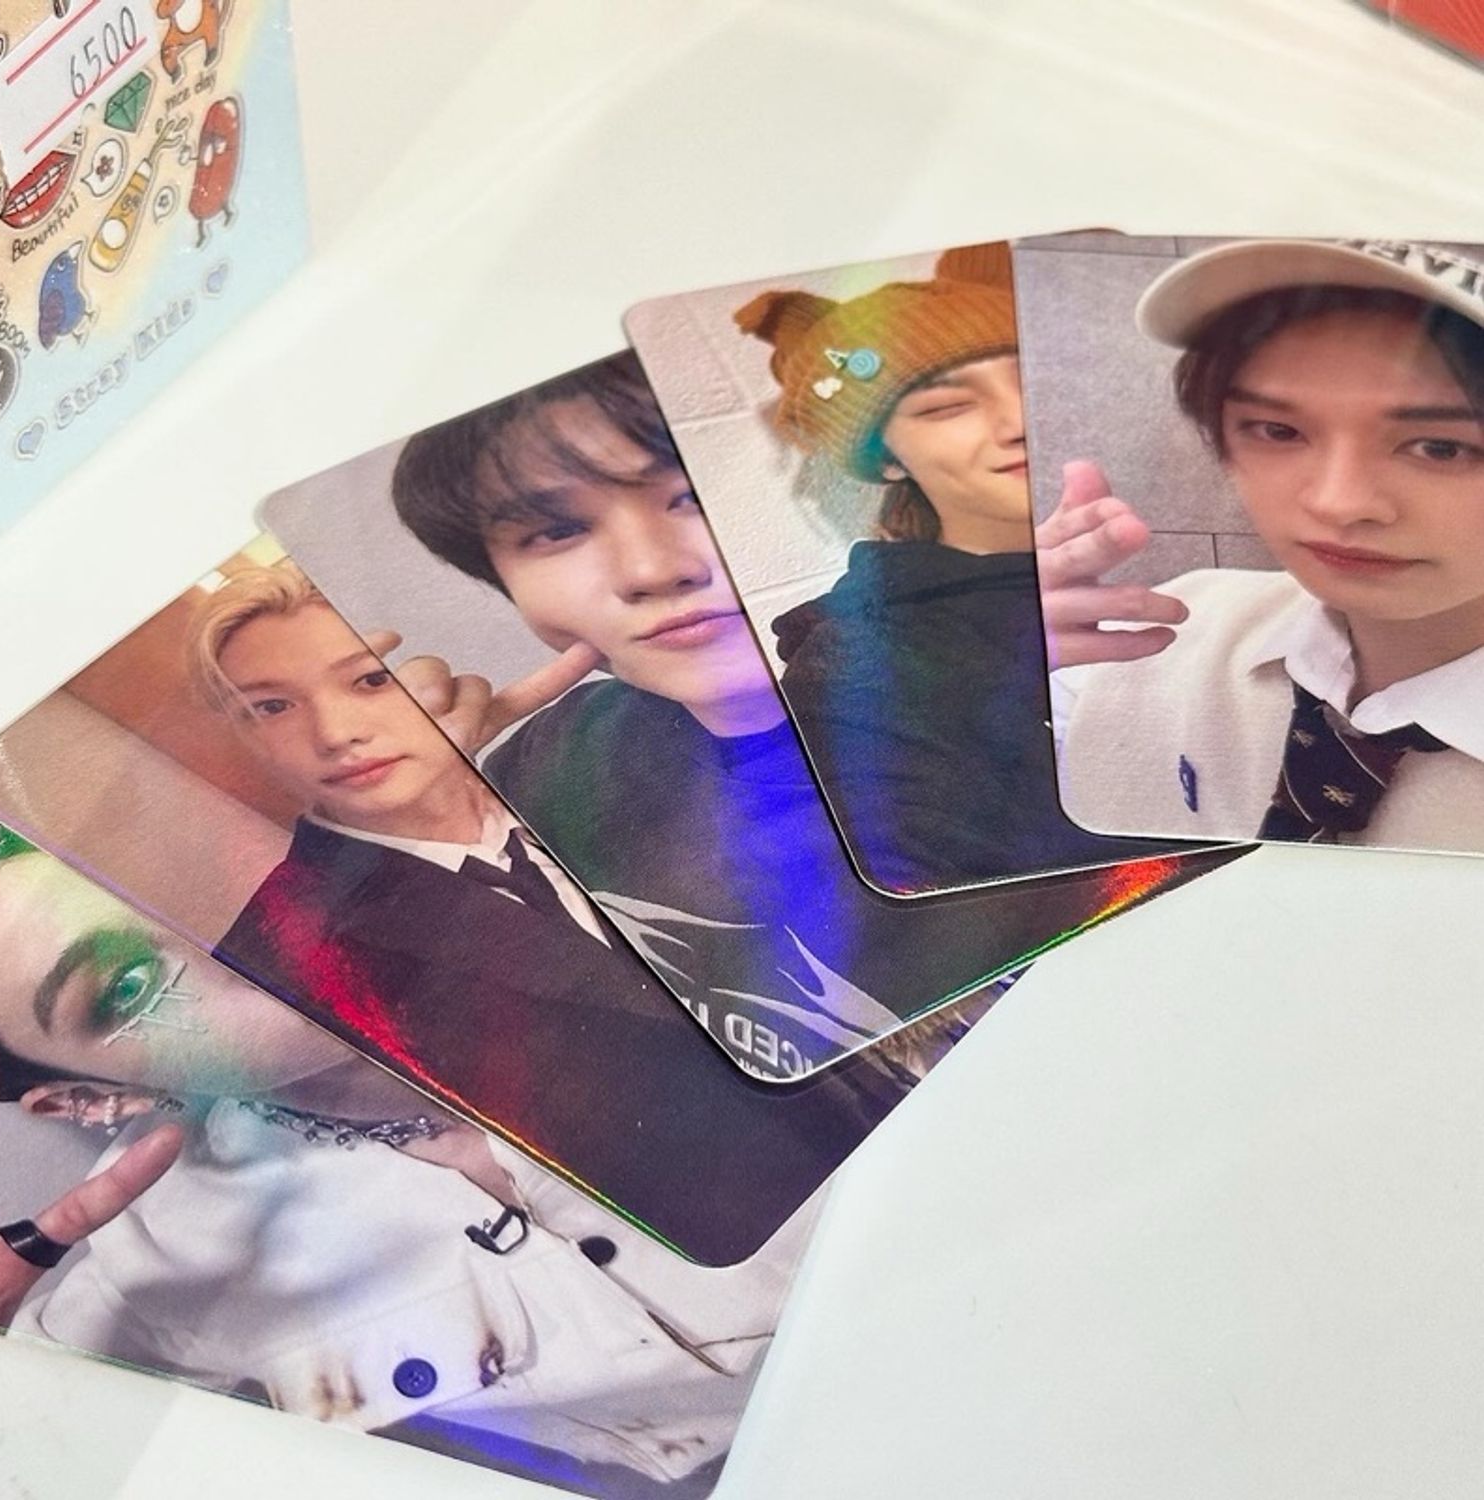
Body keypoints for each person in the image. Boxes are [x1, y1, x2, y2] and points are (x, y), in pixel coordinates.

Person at [384, 351, 1227, 1070]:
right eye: (554, 532)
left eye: (689, 497)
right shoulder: (552, 763)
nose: (651, 569)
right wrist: (405, 826)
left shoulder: (1019, 692)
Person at [0, 816, 813, 1494]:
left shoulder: (574, 898)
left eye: (177, 882)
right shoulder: (159, 1262)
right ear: (85, 1098)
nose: (212, 936)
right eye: (125, 987)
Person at [188, 561, 983, 1264]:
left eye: (369, 680)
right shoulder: (283, 957)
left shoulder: (594, 744)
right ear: (239, 736)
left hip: (957, 1125)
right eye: (272, 707)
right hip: (784, 1270)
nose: (337, 733)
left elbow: (865, 845)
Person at [732, 243, 1186, 891]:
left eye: (1035, 382)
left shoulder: (1206, 557)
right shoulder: (863, 666)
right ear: (887, 458)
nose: (1020, 420)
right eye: (947, 406)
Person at [1038, 238, 1484, 850]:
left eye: (1441, 447)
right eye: (1279, 430)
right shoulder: (1163, 632)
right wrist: (974, 659)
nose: (1339, 502)